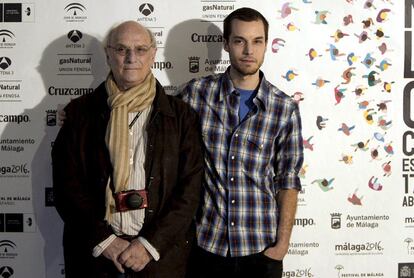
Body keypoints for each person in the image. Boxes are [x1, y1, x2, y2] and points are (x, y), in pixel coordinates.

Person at [52, 21, 203, 278]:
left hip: (160, 260)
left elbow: (190, 189)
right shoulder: (79, 113)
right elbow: (67, 186)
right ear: (108, 54)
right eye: (122, 49)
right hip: (97, 260)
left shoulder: (180, 116)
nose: (132, 58)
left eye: (141, 49)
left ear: (153, 54)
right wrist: (107, 242)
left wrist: (149, 245)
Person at [179, 7, 304, 278]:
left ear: (266, 45)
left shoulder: (284, 108)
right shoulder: (197, 94)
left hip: (261, 251)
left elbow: (288, 180)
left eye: (257, 41)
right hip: (206, 247)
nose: (249, 50)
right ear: (226, 44)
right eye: (239, 41)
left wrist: (282, 244)